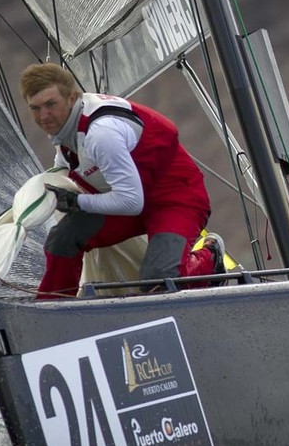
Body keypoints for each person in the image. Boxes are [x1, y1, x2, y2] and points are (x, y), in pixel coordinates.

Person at [19, 63, 224, 299]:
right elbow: (65, 168)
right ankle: (52, 308)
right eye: (35, 108)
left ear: (72, 98)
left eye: (50, 105)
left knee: (159, 282)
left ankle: (211, 257)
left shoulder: (101, 134)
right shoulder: (65, 128)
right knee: (62, 239)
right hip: (129, 198)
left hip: (175, 198)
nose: (43, 116)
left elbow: (130, 202)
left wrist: (78, 203)